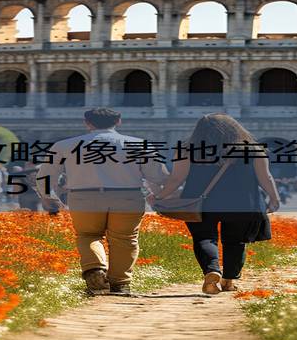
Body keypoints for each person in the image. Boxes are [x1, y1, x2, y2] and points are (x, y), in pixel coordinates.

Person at [36, 108, 169, 294]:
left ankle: (95, 268)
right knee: (125, 239)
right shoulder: (138, 144)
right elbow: (159, 177)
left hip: (84, 197)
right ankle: (120, 283)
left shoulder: (64, 145)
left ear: (87, 122)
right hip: (127, 196)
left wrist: (49, 198)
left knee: (88, 235)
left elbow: (45, 176)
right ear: (119, 121)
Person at [152, 114, 280, 295]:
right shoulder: (253, 149)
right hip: (243, 202)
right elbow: (265, 177)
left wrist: (160, 196)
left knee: (204, 237)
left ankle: (212, 271)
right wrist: (274, 198)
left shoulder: (187, 149)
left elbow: (176, 179)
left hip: (201, 202)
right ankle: (229, 280)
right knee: (236, 241)